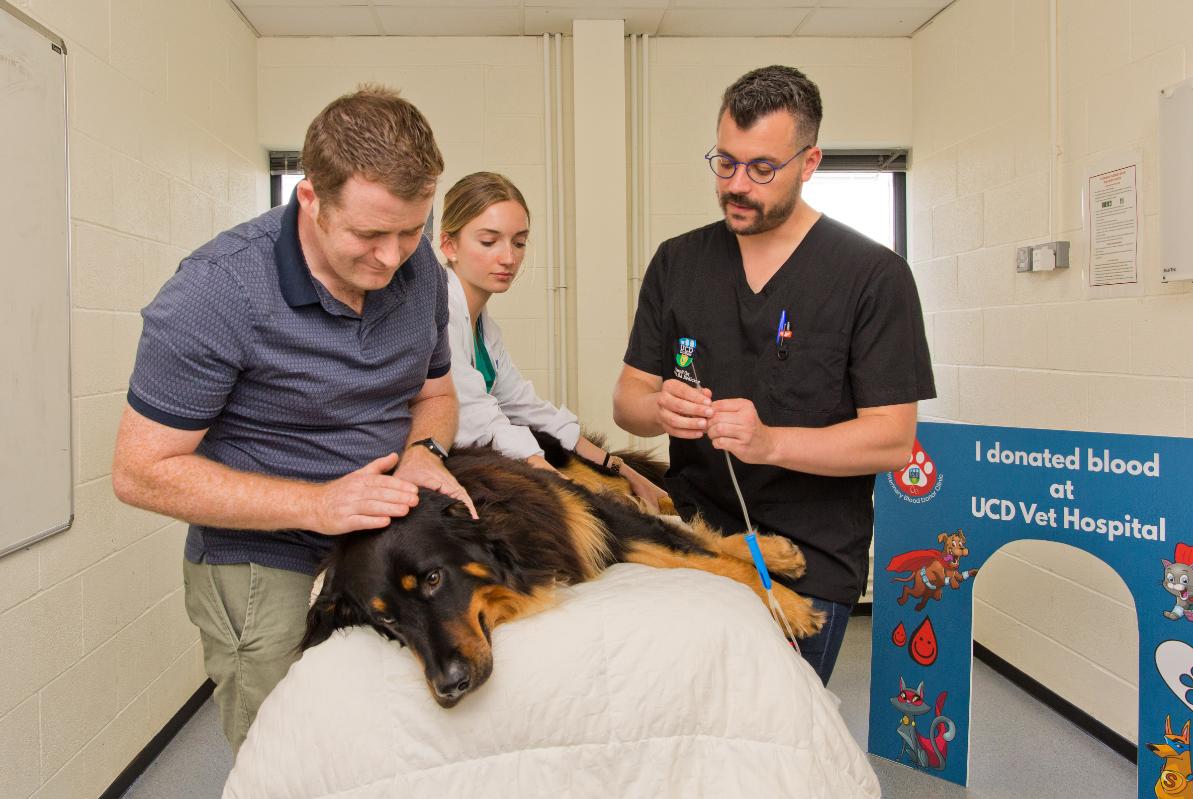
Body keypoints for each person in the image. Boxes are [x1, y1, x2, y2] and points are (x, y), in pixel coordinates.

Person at [111, 85, 474, 752]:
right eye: (369, 233)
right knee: (282, 746)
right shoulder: (215, 291)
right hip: (261, 551)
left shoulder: (420, 270)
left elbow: (437, 394)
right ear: (309, 199)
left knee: (395, 732)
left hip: (379, 534)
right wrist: (318, 503)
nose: (393, 257)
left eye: (411, 228)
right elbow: (140, 471)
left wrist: (426, 452)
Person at [612, 65, 935, 685]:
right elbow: (628, 399)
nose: (737, 185)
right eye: (725, 163)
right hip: (700, 547)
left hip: (810, 561)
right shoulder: (678, 262)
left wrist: (772, 443)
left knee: (780, 735)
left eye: (762, 168)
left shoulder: (873, 277)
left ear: (809, 161)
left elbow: (893, 439)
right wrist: (660, 410)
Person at [439, 171, 667, 510]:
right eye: (489, 242)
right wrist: (561, 483)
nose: (508, 258)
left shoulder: (485, 329)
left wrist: (622, 470)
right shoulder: (439, 314)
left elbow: (527, 408)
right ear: (449, 245)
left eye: (518, 242)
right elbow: (473, 415)